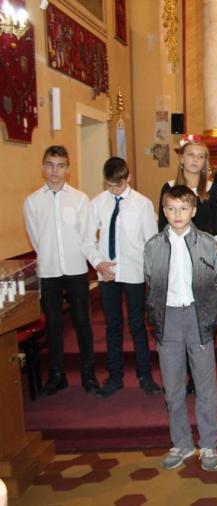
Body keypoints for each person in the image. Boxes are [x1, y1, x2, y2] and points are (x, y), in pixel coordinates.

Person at [144, 185, 217, 472]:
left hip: (197, 317)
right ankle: (181, 443)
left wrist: (205, 312)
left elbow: (216, 281)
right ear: (164, 212)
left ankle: (209, 444)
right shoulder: (153, 246)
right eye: (171, 209)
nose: (177, 214)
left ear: (193, 211)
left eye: (183, 208)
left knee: (205, 387)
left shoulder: (206, 243)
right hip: (168, 319)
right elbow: (150, 281)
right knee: (173, 388)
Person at [23, 145, 99, 396]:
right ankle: (57, 375)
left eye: (60, 166)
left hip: (76, 268)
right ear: (43, 167)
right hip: (48, 270)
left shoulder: (80, 199)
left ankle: (88, 374)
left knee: (82, 322)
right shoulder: (32, 202)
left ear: (68, 169)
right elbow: (36, 239)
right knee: (54, 324)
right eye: (50, 165)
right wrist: (49, 255)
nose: (55, 171)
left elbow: (87, 235)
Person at [83, 157, 160, 398]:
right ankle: (115, 376)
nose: (114, 190)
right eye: (109, 186)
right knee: (113, 325)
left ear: (128, 178)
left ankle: (145, 375)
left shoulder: (142, 204)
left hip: (135, 271)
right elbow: (87, 239)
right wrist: (98, 263)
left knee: (137, 325)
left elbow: (151, 242)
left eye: (118, 185)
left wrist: (152, 275)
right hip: (108, 273)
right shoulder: (98, 203)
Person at [158, 134, 217, 395]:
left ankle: (200, 375)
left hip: (203, 265)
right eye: (191, 155)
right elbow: (161, 233)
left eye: (200, 157)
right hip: (177, 267)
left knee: (202, 322)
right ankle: (183, 373)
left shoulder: (211, 189)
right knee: (179, 323)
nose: (195, 161)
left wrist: (215, 269)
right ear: (182, 159)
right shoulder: (169, 187)